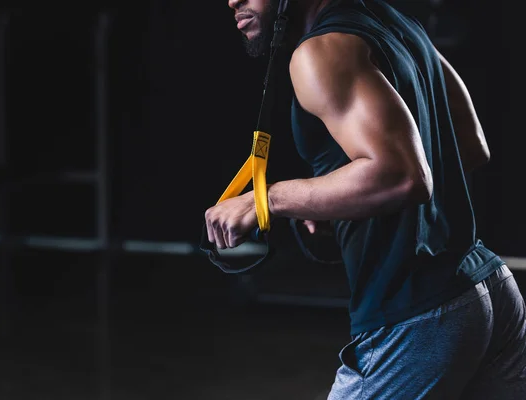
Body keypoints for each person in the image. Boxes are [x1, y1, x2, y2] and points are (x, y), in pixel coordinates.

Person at [204, 0, 526, 398]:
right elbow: (471, 147)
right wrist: (335, 198)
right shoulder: (400, 27)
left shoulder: (318, 52)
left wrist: (265, 199)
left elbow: (403, 176)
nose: (233, 0)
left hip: (417, 312)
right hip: (486, 290)